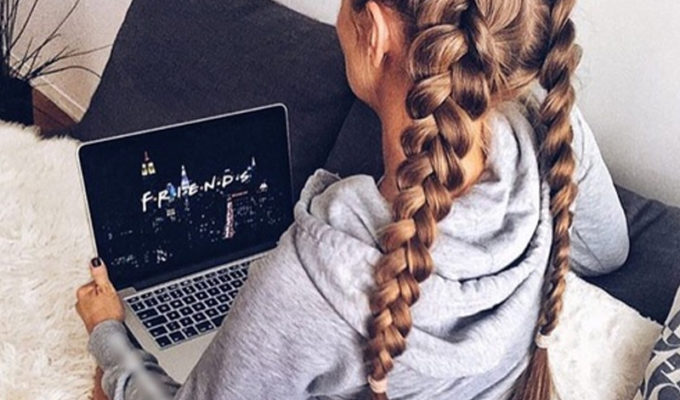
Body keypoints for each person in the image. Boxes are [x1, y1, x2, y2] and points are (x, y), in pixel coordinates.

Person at [75, 0, 630, 398]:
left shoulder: (315, 277)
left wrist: (108, 336)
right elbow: (607, 251)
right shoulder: (546, 139)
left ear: (377, 32)